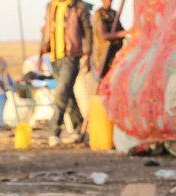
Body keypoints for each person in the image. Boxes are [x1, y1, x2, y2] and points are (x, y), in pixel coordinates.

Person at [39, 0, 92, 143]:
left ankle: (53, 131)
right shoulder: (51, 6)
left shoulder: (78, 6)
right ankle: (79, 128)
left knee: (61, 93)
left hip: (71, 57)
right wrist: (40, 54)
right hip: (55, 57)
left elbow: (87, 30)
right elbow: (46, 29)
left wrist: (88, 54)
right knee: (67, 95)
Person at [91, 0, 129, 79]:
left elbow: (121, 30)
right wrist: (126, 32)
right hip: (103, 55)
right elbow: (105, 35)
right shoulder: (99, 14)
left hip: (115, 54)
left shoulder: (114, 14)